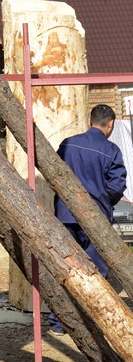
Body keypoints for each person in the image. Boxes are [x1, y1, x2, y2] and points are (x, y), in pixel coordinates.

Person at [48, 103, 128, 334]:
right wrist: (103, 202)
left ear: (90, 120)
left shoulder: (68, 143)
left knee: (66, 268)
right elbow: (117, 185)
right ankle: (90, 321)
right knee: (95, 271)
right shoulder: (111, 150)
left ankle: (59, 322)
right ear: (111, 123)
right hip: (96, 219)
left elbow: (54, 171)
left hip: (65, 216)